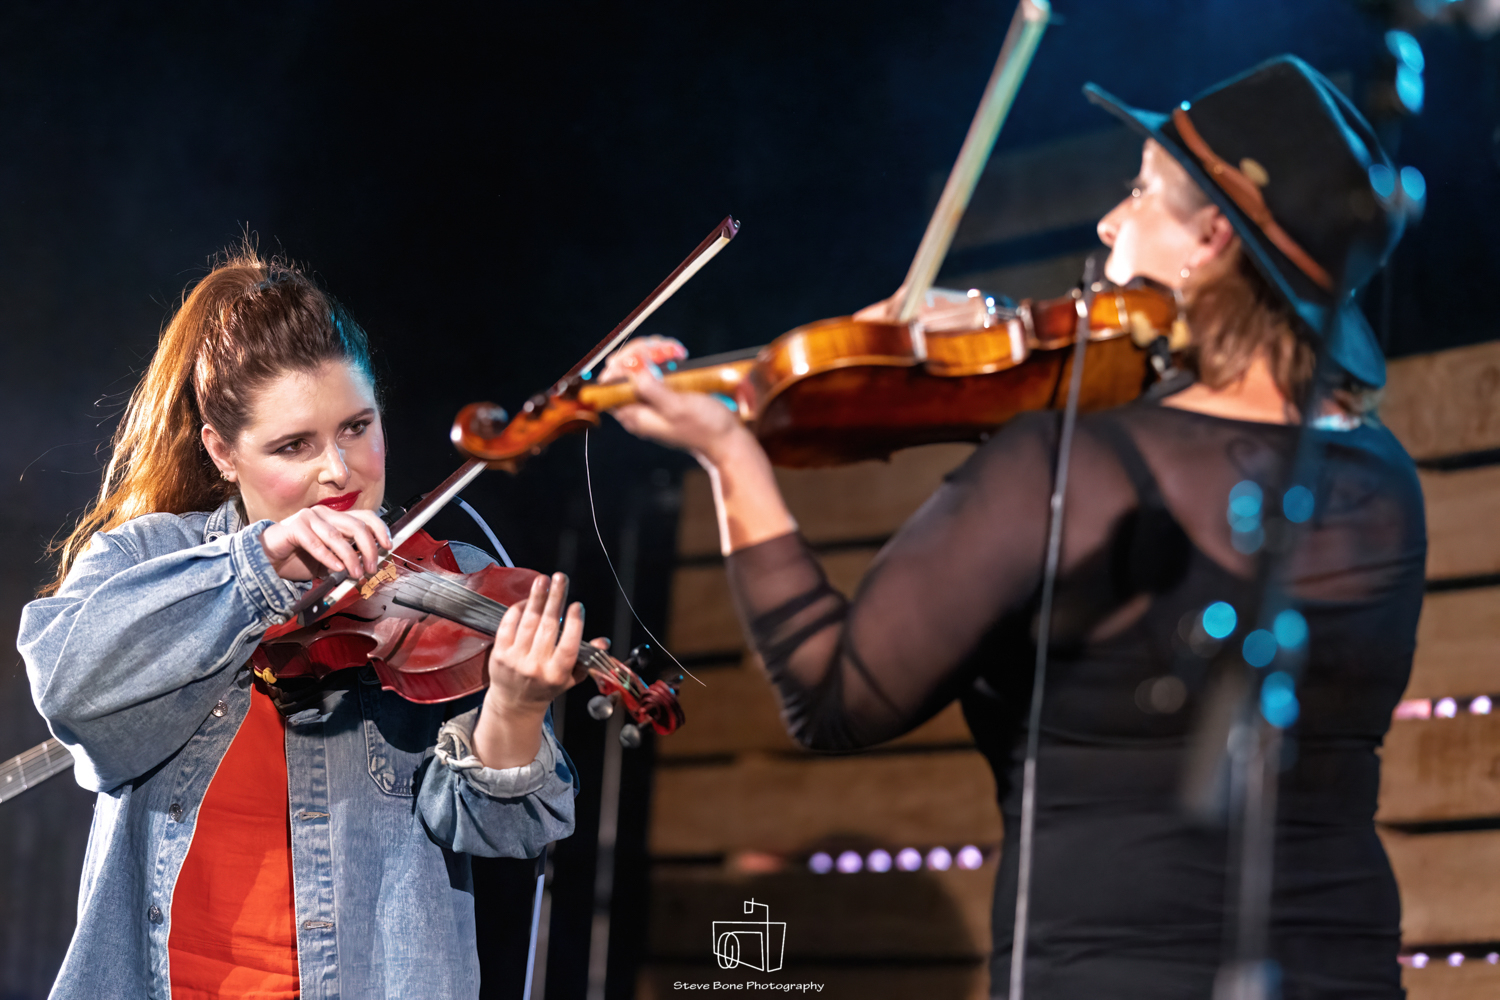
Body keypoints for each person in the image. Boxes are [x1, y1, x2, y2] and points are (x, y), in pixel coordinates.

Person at [601, 57, 1424, 998]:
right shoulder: (1385, 482)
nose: (1112, 221)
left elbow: (832, 697)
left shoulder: (1068, 468)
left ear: (1210, 243)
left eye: (1143, 192)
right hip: (1343, 969)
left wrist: (728, 454)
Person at [19, 250, 598, 999]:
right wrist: (259, 566)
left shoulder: (445, 574)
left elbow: (507, 833)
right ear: (224, 453)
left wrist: (517, 708)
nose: (340, 471)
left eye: (357, 427)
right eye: (295, 446)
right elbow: (67, 682)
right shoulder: (152, 555)